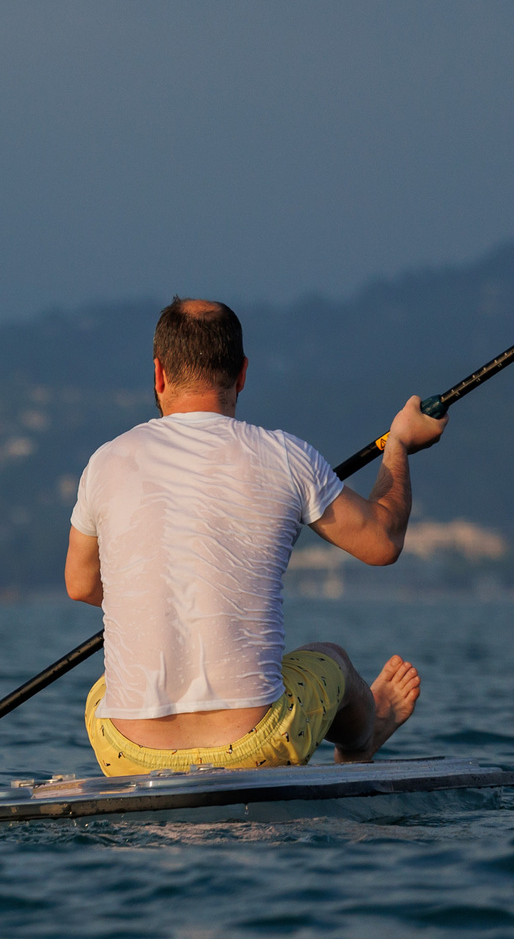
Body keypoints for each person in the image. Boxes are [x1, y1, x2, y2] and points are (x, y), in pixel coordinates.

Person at [62, 298, 445, 776]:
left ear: (159, 375)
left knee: (104, 690)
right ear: (242, 374)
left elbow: (80, 585)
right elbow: (383, 542)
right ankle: (364, 736)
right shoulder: (284, 456)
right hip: (254, 745)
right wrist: (401, 444)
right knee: (335, 663)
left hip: (127, 754)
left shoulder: (106, 462)